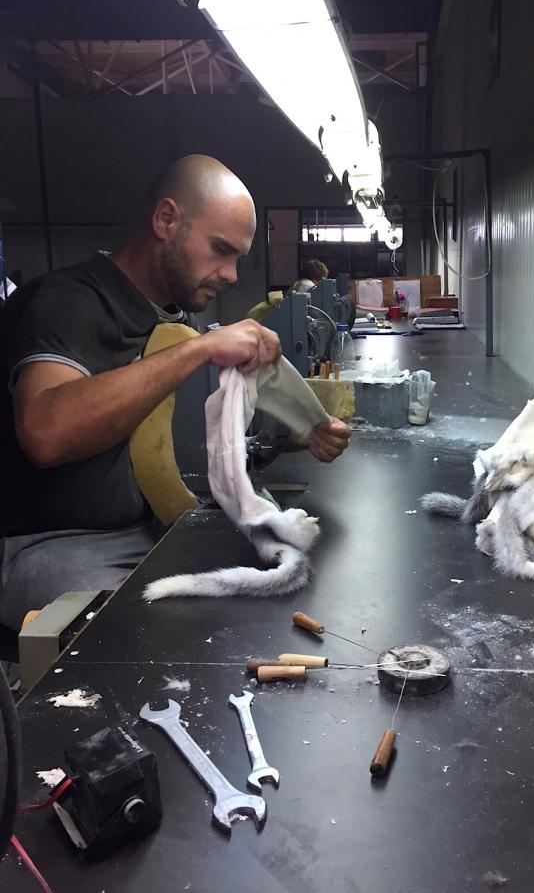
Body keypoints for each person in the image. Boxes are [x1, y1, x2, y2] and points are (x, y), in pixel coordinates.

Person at [0, 155, 350, 630]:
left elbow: (179, 429)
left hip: (148, 530)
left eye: (237, 259)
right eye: (220, 249)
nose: (230, 273)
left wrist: (301, 431)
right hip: (52, 545)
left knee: (277, 581)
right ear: (166, 220)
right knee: (168, 634)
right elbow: (45, 433)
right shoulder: (69, 304)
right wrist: (200, 348)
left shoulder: (172, 319)